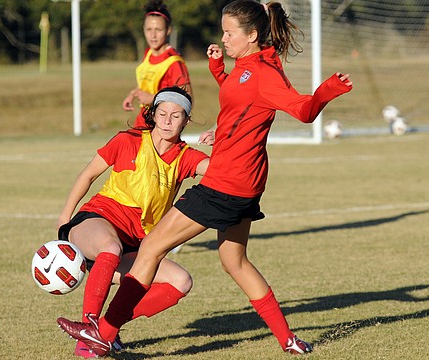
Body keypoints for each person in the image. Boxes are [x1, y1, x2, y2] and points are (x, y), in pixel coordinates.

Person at [57, 0, 353, 356]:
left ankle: (101, 333)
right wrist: (218, 80)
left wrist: (326, 91)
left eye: (229, 33)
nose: (224, 38)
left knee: (150, 249)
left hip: (225, 182)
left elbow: (303, 111)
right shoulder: (248, 65)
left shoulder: (264, 72)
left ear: (252, 35)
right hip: (247, 184)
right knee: (235, 262)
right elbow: (241, 99)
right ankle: (287, 340)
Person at [55, 86, 209, 358]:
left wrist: (223, 139)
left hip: (135, 245)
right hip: (95, 222)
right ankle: (89, 327)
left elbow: (225, 170)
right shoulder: (128, 140)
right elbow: (87, 175)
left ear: (186, 120)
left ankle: (104, 330)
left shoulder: (186, 157)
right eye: (162, 113)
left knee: (181, 281)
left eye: (176, 115)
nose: (167, 121)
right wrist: (64, 219)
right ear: (153, 114)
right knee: (109, 248)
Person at [123, 0, 192, 128]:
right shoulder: (148, 53)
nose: (153, 35)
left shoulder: (174, 62)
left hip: (162, 127)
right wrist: (132, 94)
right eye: (149, 29)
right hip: (143, 121)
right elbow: (147, 83)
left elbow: (187, 99)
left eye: (158, 30)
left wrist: (153, 99)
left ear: (168, 30)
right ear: (143, 30)